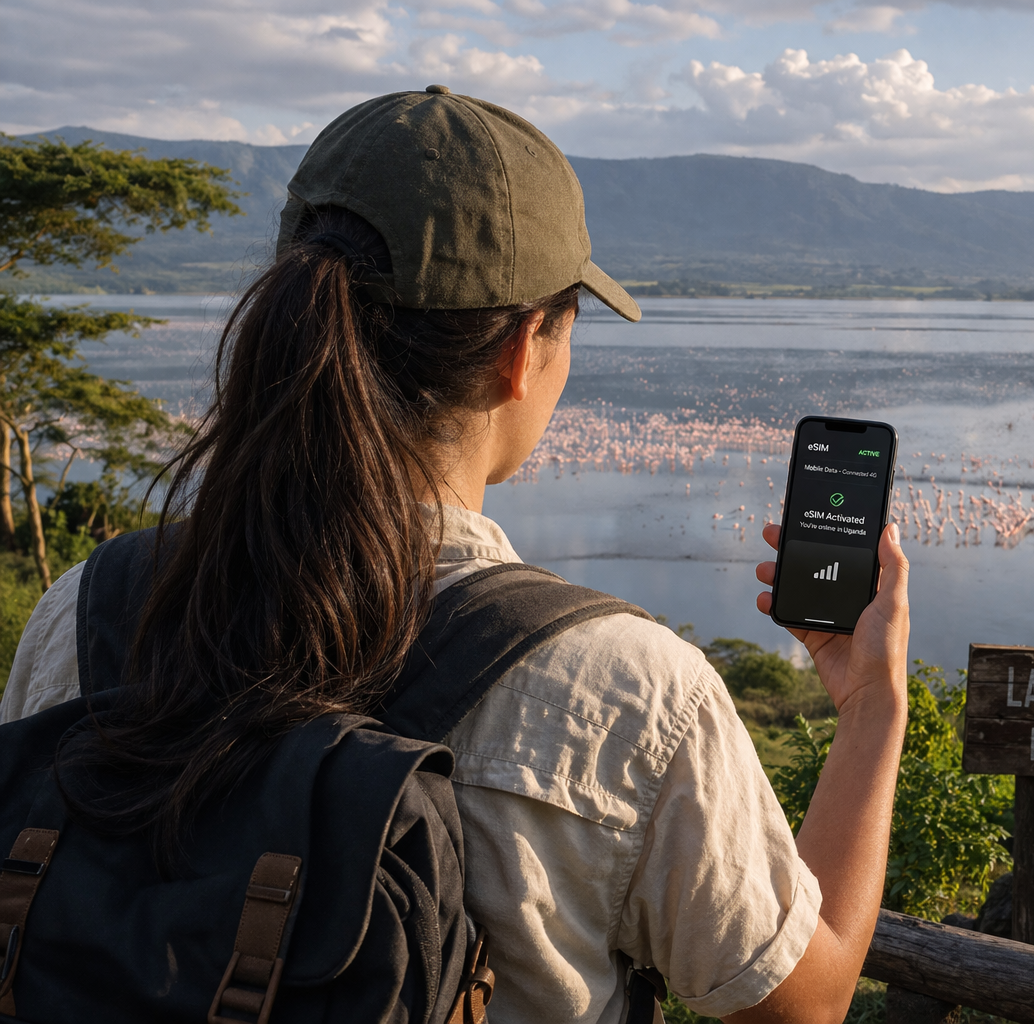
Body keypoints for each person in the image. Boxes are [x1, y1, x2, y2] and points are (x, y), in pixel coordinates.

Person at [0, 86, 910, 1024]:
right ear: (523, 351)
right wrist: (874, 703)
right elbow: (806, 1002)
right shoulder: (631, 694)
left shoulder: (90, 609)